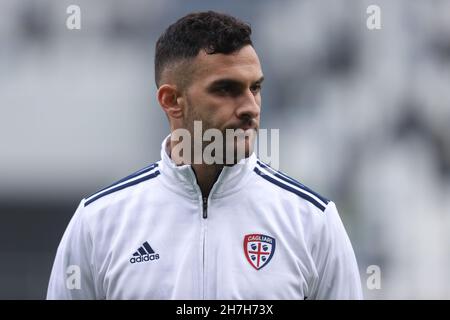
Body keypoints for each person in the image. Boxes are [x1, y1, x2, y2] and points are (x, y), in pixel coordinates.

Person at [47, 11, 363, 299]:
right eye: (226, 89)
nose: (250, 107)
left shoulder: (312, 221)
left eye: (255, 88)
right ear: (171, 101)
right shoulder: (98, 223)